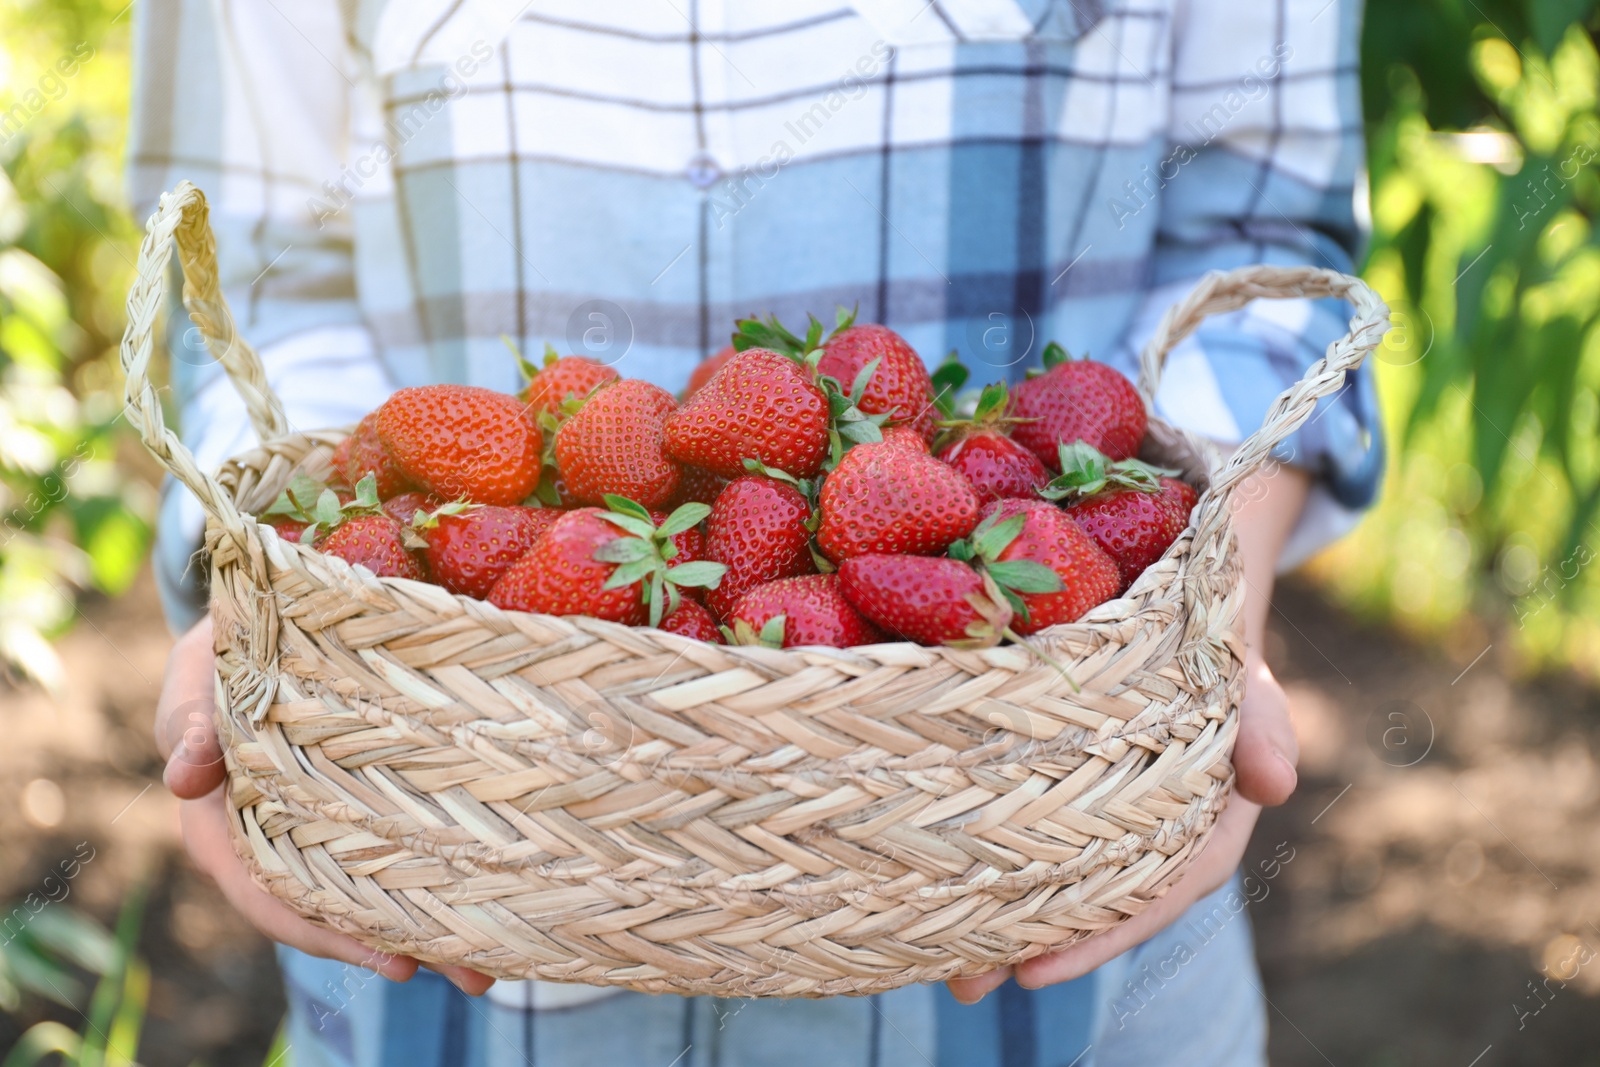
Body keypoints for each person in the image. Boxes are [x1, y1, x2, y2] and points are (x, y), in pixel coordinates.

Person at [136, 1, 1380, 1064]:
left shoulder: (896, 503)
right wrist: (278, 609)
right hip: (442, 852)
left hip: (1051, 880)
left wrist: (1200, 617)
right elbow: (253, 274)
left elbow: (1257, 242)